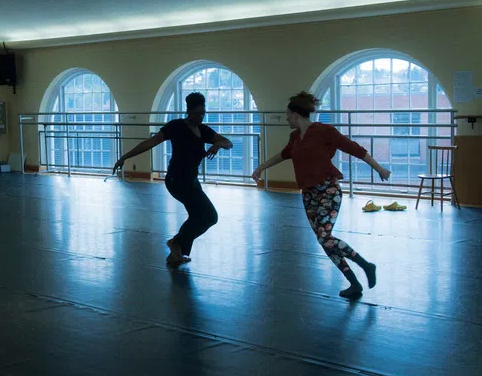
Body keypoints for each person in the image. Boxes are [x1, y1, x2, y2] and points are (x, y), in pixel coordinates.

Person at [251, 91, 390, 299]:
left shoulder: (324, 131)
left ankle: (366, 265)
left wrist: (379, 169)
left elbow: (356, 149)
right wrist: (261, 168)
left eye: (288, 114)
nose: (287, 118)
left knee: (325, 237)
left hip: (328, 190)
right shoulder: (295, 137)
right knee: (324, 240)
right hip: (308, 194)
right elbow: (283, 155)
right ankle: (354, 284)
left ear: (296, 115)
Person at [113, 92, 233, 265]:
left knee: (198, 216)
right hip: (177, 180)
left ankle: (175, 256)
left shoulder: (203, 130)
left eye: (202, 114)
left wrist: (217, 144)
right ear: (188, 111)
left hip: (191, 180)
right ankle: (176, 242)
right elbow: (149, 143)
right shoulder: (176, 126)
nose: (200, 117)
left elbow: (228, 143)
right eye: (196, 113)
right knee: (209, 216)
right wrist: (125, 156)